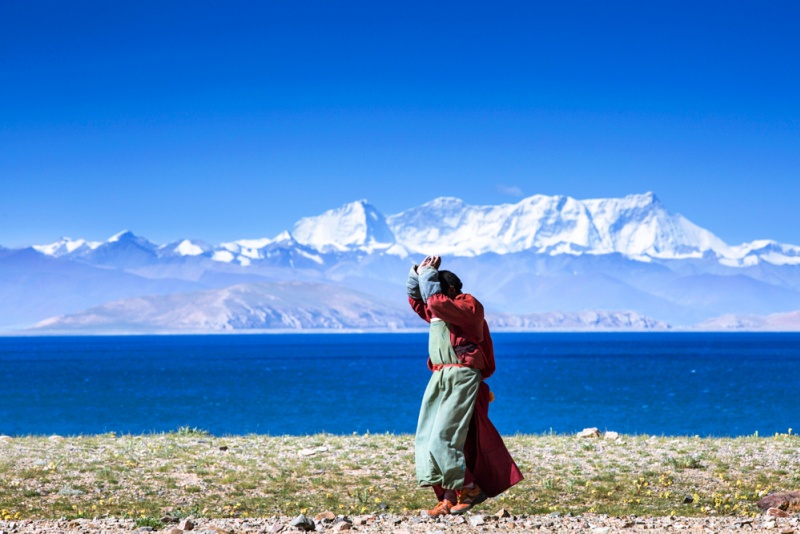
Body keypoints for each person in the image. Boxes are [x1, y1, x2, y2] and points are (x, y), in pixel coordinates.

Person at [407, 254, 523, 517]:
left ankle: (470, 487)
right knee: (427, 438)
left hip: (462, 376)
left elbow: (435, 302)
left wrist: (427, 277)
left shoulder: (467, 306)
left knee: (443, 437)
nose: (431, 297)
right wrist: (417, 273)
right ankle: (447, 497)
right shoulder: (440, 310)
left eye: (435, 290)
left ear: (449, 290)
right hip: (439, 377)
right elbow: (418, 302)